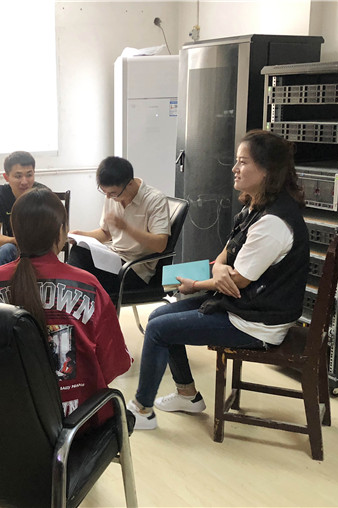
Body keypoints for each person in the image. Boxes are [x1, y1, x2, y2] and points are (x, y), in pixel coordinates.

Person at [128, 130, 309, 430]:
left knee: (159, 329)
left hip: (257, 323)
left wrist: (197, 285)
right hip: (241, 305)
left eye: (243, 162)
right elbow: (227, 251)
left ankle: (141, 410)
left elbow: (239, 281)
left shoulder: (274, 223)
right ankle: (187, 395)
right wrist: (220, 269)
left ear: (267, 171)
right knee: (159, 315)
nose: (235, 168)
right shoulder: (255, 206)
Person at [0, 188, 132, 423]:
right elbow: (112, 366)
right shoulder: (87, 285)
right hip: (78, 426)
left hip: (9, 423)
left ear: (15, 233)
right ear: (61, 232)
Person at [68, 156, 170, 296]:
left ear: (130, 184)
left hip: (135, 270)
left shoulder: (155, 200)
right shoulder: (112, 196)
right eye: (104, 192)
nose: (108, 197)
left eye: (112, 193)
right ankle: (73, 300)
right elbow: (105, 233)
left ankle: (73, 301)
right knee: (79, 250)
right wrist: (82, 235)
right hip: (114, 258)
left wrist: (127, 228)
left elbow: (160, 245)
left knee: (83, 278)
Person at [0, 150, 47, 269]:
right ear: (6, 177)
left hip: (39, 250)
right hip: (13, 249)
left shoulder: (43, 194)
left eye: (29, 175)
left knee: (6, 249)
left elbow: (46, 237)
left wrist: (2, 245)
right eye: (18, 176)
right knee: (7, 249)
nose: (24, 181)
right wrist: (9, 243)